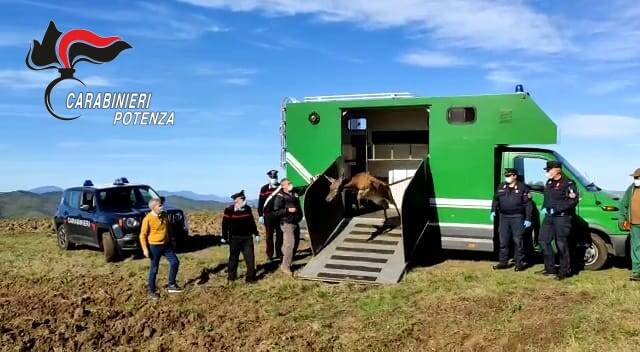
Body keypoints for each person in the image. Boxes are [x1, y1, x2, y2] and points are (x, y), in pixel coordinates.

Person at [537, 160, 579, 280]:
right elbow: (547, 198)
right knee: (543, 241)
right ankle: (550, 268)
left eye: (549, 170)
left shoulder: (568, 183)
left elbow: (572, 201)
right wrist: (544, 208)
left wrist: (556, 209)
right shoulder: (549, 182)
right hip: (549, 218)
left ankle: (564, 271)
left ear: (557, 170)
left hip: (562, 218)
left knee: (561, 244)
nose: (547, 172)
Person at [491, 168, 533, 271]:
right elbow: (495, 199)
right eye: (506, 175)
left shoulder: (523, 187)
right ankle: (503, 262)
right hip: (503, 217)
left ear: (515, 176)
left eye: (509, 175)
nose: (507, 177)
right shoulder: (502, 186)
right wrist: (492, 210)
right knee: (503, 241)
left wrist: (528, 218)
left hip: (517, 217)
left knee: (518, 240)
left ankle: (519, 263)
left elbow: (528, 204)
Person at [140, 198, 182, 300]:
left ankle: (171, 285)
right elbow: (142, 235)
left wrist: (172, 239)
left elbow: (169, 228)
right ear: (154, 207)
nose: (162, 207)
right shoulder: (148, 219)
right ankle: (151, 290)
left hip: (166, 245)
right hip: (154, 246)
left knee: (175, 262)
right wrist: (145, 249)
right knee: (154, 269)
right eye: (160, 205)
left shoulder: (164, 215)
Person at [222, 190, 260, 283]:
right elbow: (225, 224)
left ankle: (250, 278)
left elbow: (252, 222)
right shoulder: (229, 210)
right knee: (233, 258)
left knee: (250, 258)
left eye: (244, 198)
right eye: (242, 199)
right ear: (236, 200)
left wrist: (256, 233)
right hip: (234, 238)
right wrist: (224, 236)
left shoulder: (248, 209)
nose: (244, 200)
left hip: (247, 238)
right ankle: (231, 278)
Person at [272, 178, 303, 276]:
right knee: (290, 244)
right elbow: (276, 212)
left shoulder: (294, 192)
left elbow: (303, 189)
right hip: (287, 223)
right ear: (283, 186)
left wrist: (313, 181)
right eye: (288, 183)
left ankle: (284, 257)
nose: (290, 184)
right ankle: (285, 266)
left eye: (291, 183)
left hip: (295, 222)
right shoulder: (280, 197)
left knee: (294, 243)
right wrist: (287, 210)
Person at [619, 168, 640, 281]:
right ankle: (636, 272)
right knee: (636, 248)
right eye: (635, 178)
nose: (635, 180)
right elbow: (623, 205)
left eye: (637, 178)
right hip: (635, 225)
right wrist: (622, 219)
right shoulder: (631, 189)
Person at [258, 170, 283, 261]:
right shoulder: (264, 189)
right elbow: (261, 203)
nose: (274, 179)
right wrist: (260, 215)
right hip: (268, 215)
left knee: (280, 235)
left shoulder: (281, 187)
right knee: (269, 236)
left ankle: (279, 253)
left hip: (279, 215)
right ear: (269, 178)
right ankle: (269, 255)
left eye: (275, 177)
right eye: (272, 178)